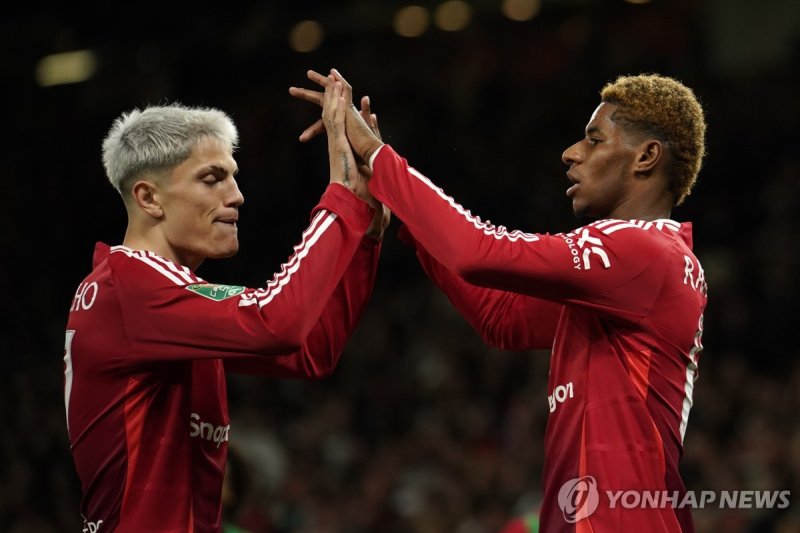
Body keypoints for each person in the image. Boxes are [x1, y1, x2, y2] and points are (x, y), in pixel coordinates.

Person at [292, 69, 707, 532]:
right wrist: (402, 212)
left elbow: (477, 251)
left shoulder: (644, 253)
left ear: (646, 156)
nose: (571, 153)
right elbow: (502, 318)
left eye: (594, 140)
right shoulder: (635, 275)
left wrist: (376, 153)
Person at [63, 89, 388, 532]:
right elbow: (277, 323)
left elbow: (312, 350)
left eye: (233, 177)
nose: (237, 196)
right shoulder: (129, 287)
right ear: (149, 198)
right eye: (212, 179)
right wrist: (342, 194)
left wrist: (365, 231)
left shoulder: (160, 299)